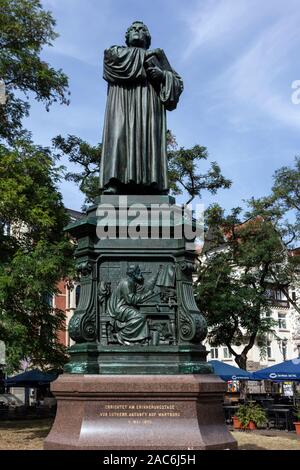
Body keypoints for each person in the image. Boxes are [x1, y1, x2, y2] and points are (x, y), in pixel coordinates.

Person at [99, 21, 183, 194]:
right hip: (121, 103)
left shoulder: (157, 57)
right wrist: (144, 57)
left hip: (148, 104)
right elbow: (110, 61)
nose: (137, 31)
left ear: (148, 38)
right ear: (127, 37)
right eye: (133, 29)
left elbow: (177, 84)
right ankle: (115, 182)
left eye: (142, 29)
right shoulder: (116, 52)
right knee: (119, 137)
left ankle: (153, 184)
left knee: (148, 137)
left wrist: (162, 75)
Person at [107, 264, 156, 345]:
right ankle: (121, 335)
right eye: (138, 271)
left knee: (141, 315)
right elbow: (131, 300)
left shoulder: (132, 282)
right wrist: (148, 295)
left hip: (123, 306)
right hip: (118, 308)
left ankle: (137, 339)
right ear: (133, 273)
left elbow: (137, 294)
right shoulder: (127, 282)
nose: (140, 273)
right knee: (140, 317)